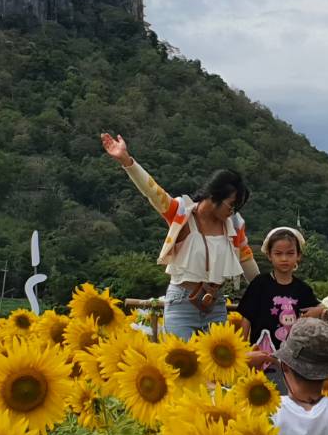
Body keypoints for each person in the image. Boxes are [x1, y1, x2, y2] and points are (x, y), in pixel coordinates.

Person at [101, 132, 258, 340]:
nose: (233, 210)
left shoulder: (235, 225)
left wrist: (269, 291)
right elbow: (153, 192)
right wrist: (127, 161)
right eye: (231, 204)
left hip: (216, 304)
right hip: (181, 304)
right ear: (213, 197)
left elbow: (247, 262)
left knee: (216, 371)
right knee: (181, 367)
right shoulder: (181, 213)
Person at [237, 226, 325, 392]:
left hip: (292, 359)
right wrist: (242, 353)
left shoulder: (303, 289)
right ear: (269, 255)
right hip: (261, 355)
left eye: (290, 253)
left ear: (298, 256)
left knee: (288, 398)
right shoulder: (259, 284)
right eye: (278, 254)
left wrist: (319, 310)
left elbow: (321, 307)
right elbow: (246, 317)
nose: (284, 259)